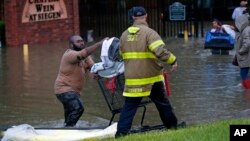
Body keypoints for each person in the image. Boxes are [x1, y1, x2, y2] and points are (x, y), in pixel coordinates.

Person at [115, 6, 184, 137]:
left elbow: (121, 54)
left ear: (133, 18)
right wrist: (173, 60)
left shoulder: (124, 35)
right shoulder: (150, 33)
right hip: (151, 79)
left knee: (129, 107)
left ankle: (121, 134)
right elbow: (161, 52)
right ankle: (173, 128)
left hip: (132, 79)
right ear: (146, 16)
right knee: (163, 104)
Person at [54, 35, 106, 127]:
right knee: (78, 108)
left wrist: (97, 73)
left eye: (82, 41)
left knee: (70, 114)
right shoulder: (69, 54)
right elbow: (83, 53)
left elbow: (93, 68)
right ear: (71, 45)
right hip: (64, 90)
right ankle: (68, 130)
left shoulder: (85, 58)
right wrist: (99, 43)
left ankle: (65, 130)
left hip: (74, 92)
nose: (81, 43)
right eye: (78, 41)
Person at [233, 14, 250, 89]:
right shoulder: (244, 30)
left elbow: (247, 43)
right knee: (244, 75)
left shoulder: (246, 30)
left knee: (244, 75)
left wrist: (240, 51)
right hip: (245, 58)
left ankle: (246, 93)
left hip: (246, 57)